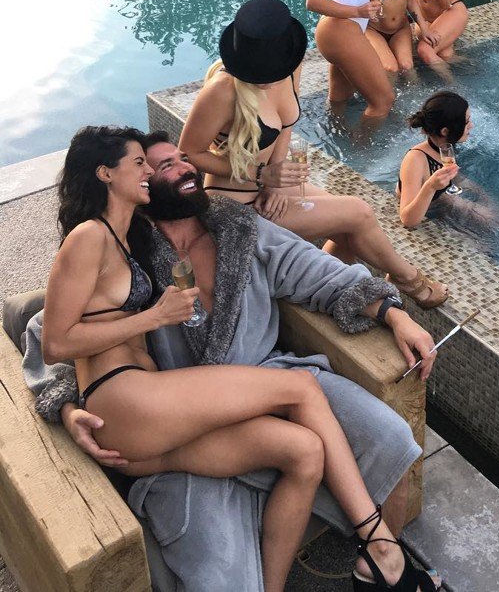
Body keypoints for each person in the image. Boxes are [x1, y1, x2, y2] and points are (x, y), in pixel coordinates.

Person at [29, 126, 441, 592]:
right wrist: (68, 405)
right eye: (160, 165)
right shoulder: (125, 246)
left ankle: (379, 563)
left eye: (183, 158)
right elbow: (49, 331)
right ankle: (373, 546)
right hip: (174, 410)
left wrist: (393, 314)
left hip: (262, 376)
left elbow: (317, 272)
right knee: (221, 570)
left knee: (388, 437)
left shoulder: (240, 227)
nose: (184, 167)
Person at [178, 0, 448, 308]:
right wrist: (261, 174)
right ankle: (410, 281)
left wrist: (275, 183)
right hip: (234, 202)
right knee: (358, 212)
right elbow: (188, 154)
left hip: (268, 186)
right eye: (256, 71)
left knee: (348, 227)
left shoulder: (288, 65)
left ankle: (325, 288)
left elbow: (285, 124)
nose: (264, 79)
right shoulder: (222, 90)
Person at [397, 91, 498, 235]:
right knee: (488, 227)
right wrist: (431, 186)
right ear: (445, 131)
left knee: (494, 220)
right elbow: (407, 220)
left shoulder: (445, 147)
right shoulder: (415, 159)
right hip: (425, 211)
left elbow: (454, 176)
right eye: (466, 122)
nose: (471, 126)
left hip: (440, 200)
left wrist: (483, 195)